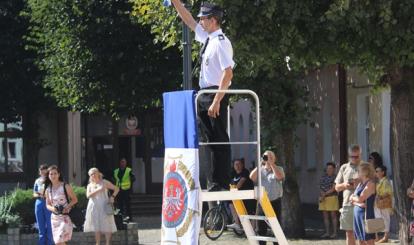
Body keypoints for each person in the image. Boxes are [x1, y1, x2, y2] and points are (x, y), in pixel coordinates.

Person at [171, 0, 235, 191]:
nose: (201, 22)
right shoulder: (209, 39)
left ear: (214, 20)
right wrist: (176, 3)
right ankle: (213, 181)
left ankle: (221, 182)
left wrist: (217, 100)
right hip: (205, 93)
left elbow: (228, 73)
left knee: (218, 139)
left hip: (215, 93)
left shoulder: (221, 42)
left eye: (204, 19)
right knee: (209, 141)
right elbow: (189, 21)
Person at [250, 150, 285, 245]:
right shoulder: (260, 169)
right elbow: (252, 177)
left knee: (276, 228)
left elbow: (279, 177)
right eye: (266, 157)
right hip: (262, 202)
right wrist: (260, 164)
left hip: (275, 202)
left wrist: (272, 164)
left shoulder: (279, 168)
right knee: (260, 228)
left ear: (274, 159)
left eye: (271, 157)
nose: (268, 159)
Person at [335, 144, 365, 245]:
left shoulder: (365, 167)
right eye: (352, 156)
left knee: (363, 234)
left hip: (362, 204)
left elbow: (374, 183)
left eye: (357, 156)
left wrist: (360, 182)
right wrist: (344, 185)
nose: (355, 159)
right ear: (349, 156)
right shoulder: (344, 167)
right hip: (347, 204)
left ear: (360, 155)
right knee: (349, 233)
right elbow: (336, 187)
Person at [84, 168, 119, 245]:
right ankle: (97, 243)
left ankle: (107, 243)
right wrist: (99, 190)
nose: (93, 175)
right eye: (91, 174)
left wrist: (112, 197)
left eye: (94, 173)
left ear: (98, 173)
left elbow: (116, 189)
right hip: (93, 207)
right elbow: (88, 196)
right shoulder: (89, 185)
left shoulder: (104, 182)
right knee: (96, 225)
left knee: (107, 224)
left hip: (104, 206)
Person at [44, 165, 78, 245]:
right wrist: (54, 209)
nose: (53, 175)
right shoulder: (48, 189)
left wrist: (66, 207)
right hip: (54, 218)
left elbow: (75, 200)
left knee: (59, 239)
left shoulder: (65, 186)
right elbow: (47, 205)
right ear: (48, 176)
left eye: (55, 173)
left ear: (59, 174)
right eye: (51, 174)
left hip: (65, 217)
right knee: (58, 242)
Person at [350, 163, 376, 245]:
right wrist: (358, 203)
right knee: (360, 239)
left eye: (358, 171)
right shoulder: (360, 184)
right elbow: (352, 200)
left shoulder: (370, 184)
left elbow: (360, 198)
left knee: (369, 240)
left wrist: (355, 199)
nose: (357, 172)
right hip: (357, 214)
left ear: (364, 172)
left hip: (366, 215)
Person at [227, 158, 255, 230]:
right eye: (236, 164)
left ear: (242, 165)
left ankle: (252, 229)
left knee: (250, 213)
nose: (237, 166)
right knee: (230, 203)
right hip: (238, 195)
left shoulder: (245, 172)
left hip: (248, 196)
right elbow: (230, 184)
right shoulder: (233, 173)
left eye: (239, 164)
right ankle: (237, 223)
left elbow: (240, 184)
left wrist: (233, 189)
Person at [33, 164, 54, 245]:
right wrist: (39, 195)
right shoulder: (37, 181)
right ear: (39, 172)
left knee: (50, 226)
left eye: (45, 173)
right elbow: (34, 194)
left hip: (48, 203)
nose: (43, 174)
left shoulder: (51, 180)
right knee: (41, 227)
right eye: (41, 172)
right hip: (39, 203)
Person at [319, 162, 339, 239]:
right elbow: (320, 186)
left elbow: (334, 188)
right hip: (323, 198)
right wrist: (322, 194)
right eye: (327, 168)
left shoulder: (335, 177)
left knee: (333, 215)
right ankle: (327, 232)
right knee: (325, 216)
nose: (328, 170)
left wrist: (324, 194)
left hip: (332, 198)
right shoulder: (323, 176)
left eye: (330, 168)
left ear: (334, 169)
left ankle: (334, 233)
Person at [374, 165, 393, 243]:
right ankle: (377, 236)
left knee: (385, 219)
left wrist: (380, 196)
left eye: (378, 171)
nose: (376, 173)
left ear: (383, 172)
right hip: (379, 203)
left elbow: (389, 192)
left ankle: (386, 237)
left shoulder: (385, 181)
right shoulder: (379, 181)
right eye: (376, 171)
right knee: (379, 218)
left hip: (384, 203)